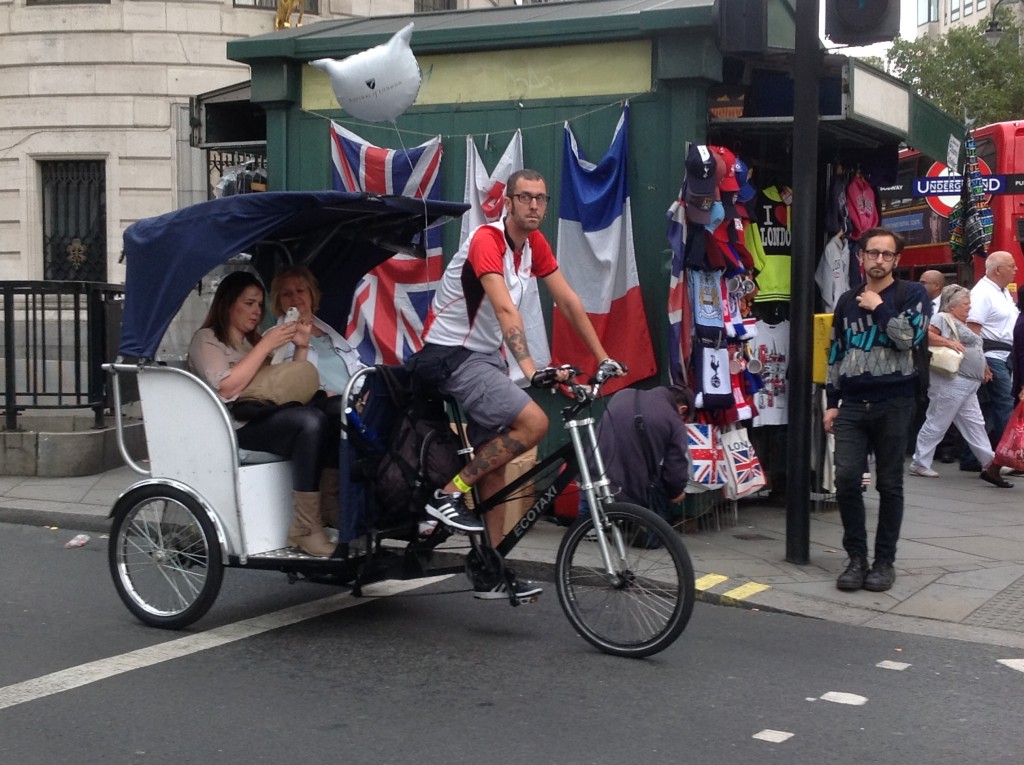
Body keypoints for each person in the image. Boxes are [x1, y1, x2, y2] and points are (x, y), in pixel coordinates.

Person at [406, 168, 625, 601]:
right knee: (534, 423)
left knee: (496, 465)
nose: (534, 206)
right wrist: (529, 369)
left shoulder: (533, 246)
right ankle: (447, 495)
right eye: (524, 197)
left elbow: (567, 298)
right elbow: (505, 309)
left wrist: (603, 358)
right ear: (507, 202)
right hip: (449, 355)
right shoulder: (487, 241)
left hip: (485, 358)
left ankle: (489, 570)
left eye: (541, 199)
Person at [187, 271, 335, 557]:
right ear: (228, 304)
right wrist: (266, 346)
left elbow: (283, 387)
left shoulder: (251, 343)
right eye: (249, 303)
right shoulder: (207, 339)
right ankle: (305, 528)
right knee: (310, 422)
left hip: (266, 414)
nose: (256, 311)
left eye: (259, 305)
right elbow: (227, 387)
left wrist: (301, 346)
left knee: (334, 410)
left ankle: (330, 510)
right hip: (237, 426)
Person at [824, 227, 931, 593]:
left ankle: (884, 562)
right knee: (847, 481)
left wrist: (880, 306)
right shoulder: (846, 300)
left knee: (889, 484)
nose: (879, 260)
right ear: (862, 257)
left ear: (897, 260)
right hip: (853, 403)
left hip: (895, 402)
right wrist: (831, 403)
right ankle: (856, 558)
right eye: (873, 253)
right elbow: (836, 352)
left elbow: (908, 338)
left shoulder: (912, 293)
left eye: (887, 255)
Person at [269, 265, 366, 529]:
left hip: (353, 400)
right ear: (278, 302)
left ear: (313, 295)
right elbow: (287, 380)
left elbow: (357, 367)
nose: (295, 298)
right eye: (287, 294)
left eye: (301, 291)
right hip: (318, 406)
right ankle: (331, 503)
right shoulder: (277, 337)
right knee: (338, 411)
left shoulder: (328, 331)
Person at [909, 284, 1000, 482]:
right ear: (952, 306)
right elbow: (926, 335)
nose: (969, 307)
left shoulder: (962, 323)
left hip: (967, 384)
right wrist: (948, 343)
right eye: (966, 304)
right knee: (938, 421)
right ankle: (920, 462)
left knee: (975, 424)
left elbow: (974, 348)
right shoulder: (942, 318)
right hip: (951, 382)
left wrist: (983, 368)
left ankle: (990, 462)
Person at [961, 251, 1019, 471]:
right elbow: (973, 331)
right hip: (991, 355)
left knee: (987, 410)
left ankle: (970, 458)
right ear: (997, 270)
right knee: (1006, 404)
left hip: (1006, 355)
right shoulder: (982, 293)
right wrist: (981, 363)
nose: (1016, 270)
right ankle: (1010, 457)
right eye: (1011, 266)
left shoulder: (1002, 292)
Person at [595, 384, 693, 511]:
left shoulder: (622, 394)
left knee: (587, 527)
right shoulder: (674, 421)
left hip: (593, 478)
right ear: (682, 409)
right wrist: (676, 492)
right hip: (629, 493)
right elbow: (675, 470)